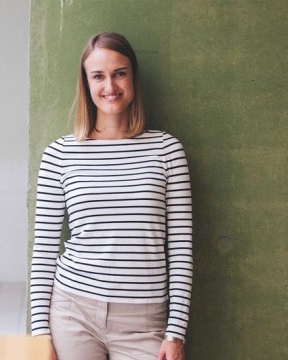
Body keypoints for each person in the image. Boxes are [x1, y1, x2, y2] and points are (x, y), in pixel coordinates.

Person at [30, 33, 192, 360]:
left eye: (119, 73)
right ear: (86, 84)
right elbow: (45, 249)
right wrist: (39, 334)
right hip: (72, 312)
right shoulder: (59, 155)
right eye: (98, 76)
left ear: (132, 77)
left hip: (143, 321)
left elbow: (180, 247)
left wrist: (175, 333)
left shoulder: (166, 150)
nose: (110, 86)